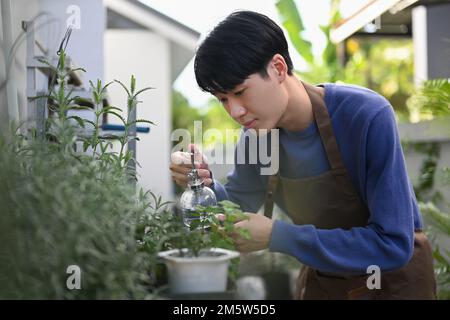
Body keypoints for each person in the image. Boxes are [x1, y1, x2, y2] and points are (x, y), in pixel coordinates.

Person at [169, 10, 436, 299]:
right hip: (326, 281)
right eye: (223, 99)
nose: (235, 112)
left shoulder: (366, 116)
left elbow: (393, 244)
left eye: (240, 92)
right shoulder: (256, 137)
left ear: (278, 68)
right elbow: (235, 208)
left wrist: (277, 236)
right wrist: (201, 184)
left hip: (394, 284)